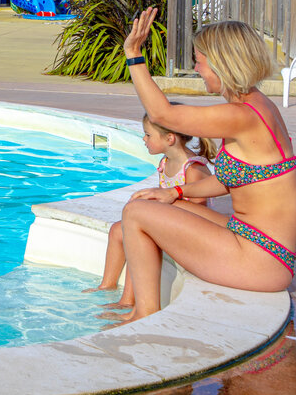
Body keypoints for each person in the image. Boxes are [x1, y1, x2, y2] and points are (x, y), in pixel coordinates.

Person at [115, 8, 296, 322]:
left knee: (135, 213)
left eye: (199, 59)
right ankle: (129, 303)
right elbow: (235, 179)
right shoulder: (256, 105)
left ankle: (143, 316)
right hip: (258, 244)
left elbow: (163, 116)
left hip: (261, 260)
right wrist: (175, 193)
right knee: (154, 202)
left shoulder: (242, 116)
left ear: (221, 63)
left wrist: (134, 54)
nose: (197, 67)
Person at [85, 113, 214, 312]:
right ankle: (107, 285)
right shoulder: (165, 162)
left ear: (169, 138)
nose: (143, 139)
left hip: (189, 230)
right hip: (171, 222)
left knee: (137, 236)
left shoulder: (193, 169)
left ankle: (128, 300)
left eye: (147, 135)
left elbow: (200, 214)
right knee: (118, 230)